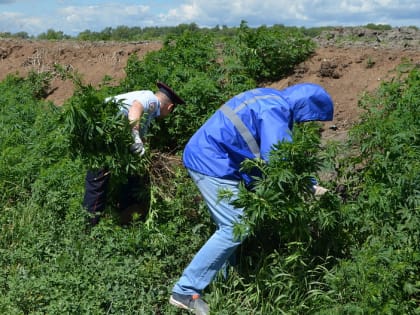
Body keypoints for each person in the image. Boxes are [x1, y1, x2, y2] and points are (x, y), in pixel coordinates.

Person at [169, 83, 334, 315]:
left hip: (211, 156)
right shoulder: (277, 109)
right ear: (305, 107)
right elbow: (278, 157)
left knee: (230, 225)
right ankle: (185, 290)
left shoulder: (268, 96)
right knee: (237, 225)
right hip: (211, 162)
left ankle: (225, 283)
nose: (303, 123)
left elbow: (254, 149)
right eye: (308, 118)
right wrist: (306, 186)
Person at [82, 81, 185, 226]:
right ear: (170, 107)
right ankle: (89, 226)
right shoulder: (151, 99)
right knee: (98, 179)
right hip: (100, 134)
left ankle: (126, 214)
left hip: (106, 135)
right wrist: (135, 136)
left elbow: (141, 133)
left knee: (130, 174)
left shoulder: (149, 113)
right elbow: (135, 108)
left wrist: (144, 147)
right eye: (170, 112)